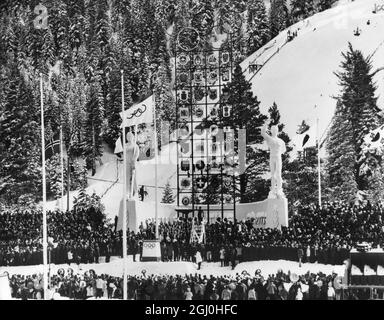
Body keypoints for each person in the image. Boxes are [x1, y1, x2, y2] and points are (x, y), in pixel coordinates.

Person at [261, 122, 286, 198]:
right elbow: (262, 132)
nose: (274, 131)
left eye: (275, 129)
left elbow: (283, 150)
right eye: (273, 129)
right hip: (272, 157)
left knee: (278, 174)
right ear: (271, 131)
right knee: (273, 175)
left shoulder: (281, 141)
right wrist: (265, 124)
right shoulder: (269, 138)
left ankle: (279, 189)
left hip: (278, 157)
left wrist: (278, 153)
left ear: (277, 131)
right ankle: (273, 190)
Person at [125, 132, 140, 198]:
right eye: (128, 136)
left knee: (134, 178)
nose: (129, 138)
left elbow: (137, 154)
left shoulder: (135, 145)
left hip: (133, 163)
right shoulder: (125, 145)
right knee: (127, 178)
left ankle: (136, 191)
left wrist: (134, 160)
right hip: (127, 163)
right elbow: (124, 154)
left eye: (130, 136)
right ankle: (127, 192)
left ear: (133, 137)